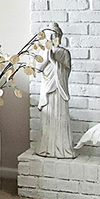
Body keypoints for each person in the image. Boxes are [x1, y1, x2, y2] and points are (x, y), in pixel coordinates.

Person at [36, 23, 75, 159]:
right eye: (50, 35)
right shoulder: (43, 52)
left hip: (59, 88)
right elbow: (37, 69)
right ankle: (45, 148)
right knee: (48, 119)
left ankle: (62, 149)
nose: (53, 38)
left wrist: (54, 61)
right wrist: (47, 57)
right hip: (48, 88)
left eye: (55, 35)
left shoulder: (64, 53)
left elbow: (66, 71)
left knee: (60, 118)